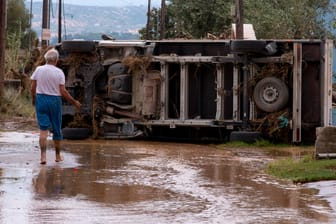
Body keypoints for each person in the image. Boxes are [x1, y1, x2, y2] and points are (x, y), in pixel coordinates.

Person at [30, 48, 81, 165]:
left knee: (43, 130)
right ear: (56, 60)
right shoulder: (59, 72)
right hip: (54, 101)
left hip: (41, 99)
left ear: (46, 59)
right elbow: (63, 91)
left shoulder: (38, 69)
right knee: (57, 129)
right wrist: (74, 102)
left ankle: (43, 157)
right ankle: (57, 156)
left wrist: (34, 99)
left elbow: (32, 88)